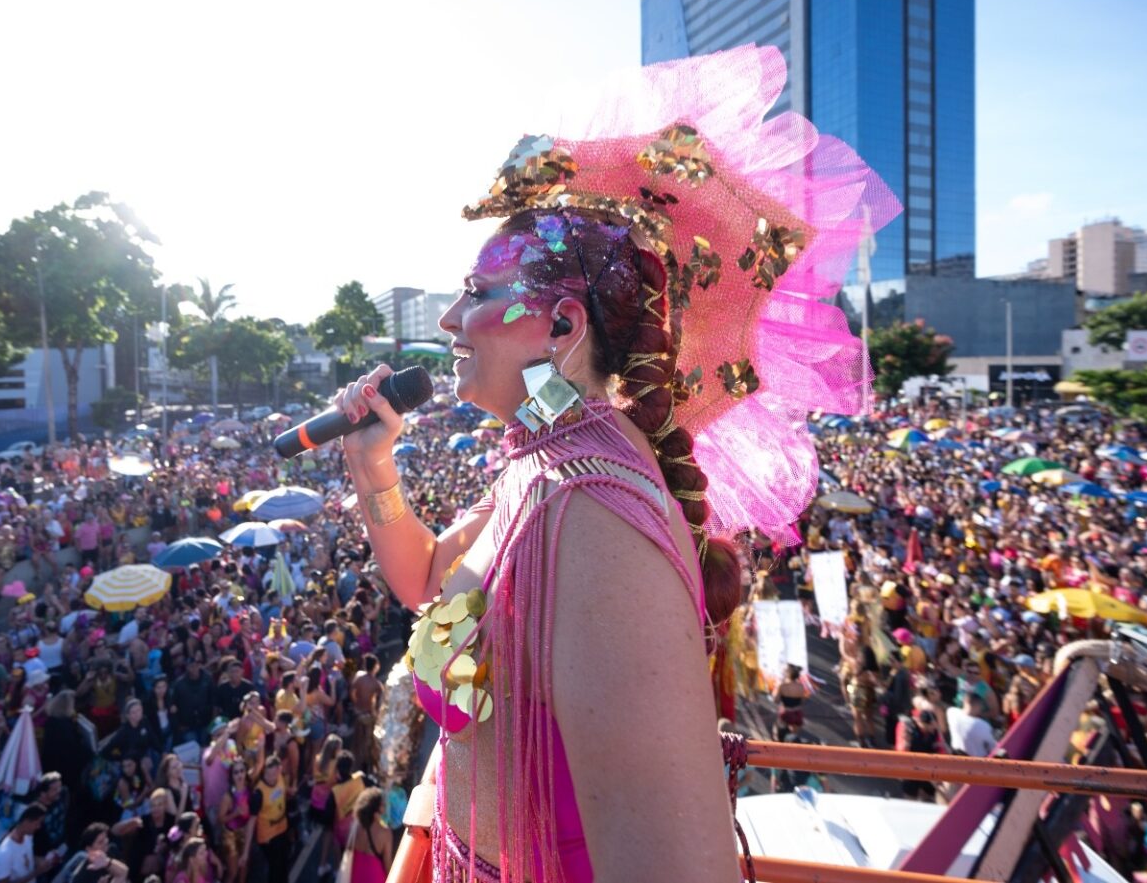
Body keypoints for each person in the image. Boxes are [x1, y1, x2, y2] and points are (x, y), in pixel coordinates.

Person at [335, 47, 894, 880]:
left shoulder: (595, 515)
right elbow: (428, 585)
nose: (451, 317)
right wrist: (373, 465)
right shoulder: (537, 464)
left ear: (563, 326)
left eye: (478, 293)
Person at [0, 805, 60, 883]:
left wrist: (42, 861)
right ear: (27, 822)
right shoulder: (5, 852)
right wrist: (36, 872)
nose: (39, 827)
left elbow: (24, 857)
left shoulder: (28, 837)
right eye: (37, 823)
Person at [344, 787, 392, 883]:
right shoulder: (385, 833)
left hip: (354, 875)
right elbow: (387, 865)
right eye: (383, 803)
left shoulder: (354, 826)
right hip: (375, 878)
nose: (385, 805)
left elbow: (347, 849)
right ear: (378, 808)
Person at [947, 693, 998, 758]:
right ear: (978, 706)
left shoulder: (951, 712)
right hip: (976, 761)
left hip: (956, 756)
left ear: (964, 701)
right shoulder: (983, 726)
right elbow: (992, 747)